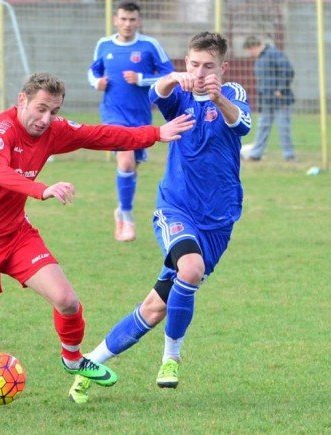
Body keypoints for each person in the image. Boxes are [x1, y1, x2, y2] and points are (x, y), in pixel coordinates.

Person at [0, 72, 195, 413]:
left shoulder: (52, 130)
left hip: (15, 235)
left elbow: (100, 134)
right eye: (40, 109)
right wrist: (41, 189)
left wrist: (154, 134)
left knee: (67, 301)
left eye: (54, 111)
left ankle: (74, 360)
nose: (46, 119)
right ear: (22, 100)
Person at [68, 32, 252, 403]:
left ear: (223, 68)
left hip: (218, 218)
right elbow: (158, 96)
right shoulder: (180, 94)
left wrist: (218, 98)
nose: (200, 73)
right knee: (190, 269)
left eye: (209, 66)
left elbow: (242, 124)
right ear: (186, 62)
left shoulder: (232, 94)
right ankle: (171, 358)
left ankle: (90, 363)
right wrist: (170, 78)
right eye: (194, 65)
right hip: (176, 208)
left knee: (154, 308)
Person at [88, 1, 174, 242]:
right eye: (123, 19)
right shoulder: (104, 45)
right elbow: (92, 71)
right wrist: (97, 83)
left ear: (139, 21)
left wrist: (142, 78)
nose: (127, 24)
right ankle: (126, 217)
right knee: (125, 162)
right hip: (112, 114)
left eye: (132, 19)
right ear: (116, 20)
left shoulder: (149, 45)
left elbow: (169, 75)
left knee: (131, 167)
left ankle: (121, 208)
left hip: (140, 116)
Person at [241, 36, 295, 161]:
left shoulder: (274, 53)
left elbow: (288, 70)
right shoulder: (260, 58)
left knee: (283, 127)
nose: (250, 54)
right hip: (266, 100)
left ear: (254, 46)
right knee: (262, 126)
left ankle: (289, 155)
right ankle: (255, 154)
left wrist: (280, 89)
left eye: (250, 50)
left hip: (280, 99)